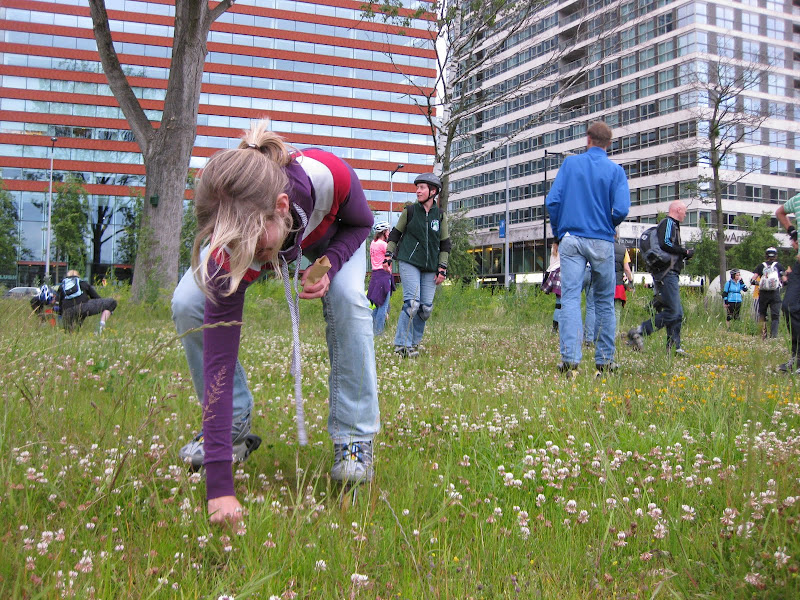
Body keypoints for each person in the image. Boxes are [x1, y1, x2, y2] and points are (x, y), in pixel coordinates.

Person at [171, 121, 380, 524]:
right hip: (281, 238)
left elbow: (362, 223)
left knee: (349, 300)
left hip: (334, 240)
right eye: (231, 247)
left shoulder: (329, 176)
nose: (243, 257)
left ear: (282, 207)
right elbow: (218, 354)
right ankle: (232, 426)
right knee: (187, 301)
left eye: (251, 248)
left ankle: (354, 437)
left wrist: (329, 264)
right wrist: (219, 488)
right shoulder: (233, 244)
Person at [546, 121, 630, 374]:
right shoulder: (616, 171)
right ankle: (605, 361)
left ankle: (570, 359)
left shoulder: (570, 164)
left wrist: (560, 231)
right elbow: (622, 209)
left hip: (571, 238)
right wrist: (608, 223)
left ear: (588, 139)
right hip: (602, 240)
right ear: (608, 144)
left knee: (570, 298)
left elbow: (553, 201)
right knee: (604, 300)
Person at [384, 173, 451, 358]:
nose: (418, 191)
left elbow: (445, 244)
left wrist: (442, 267)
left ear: (433, 191)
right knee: (412, 304)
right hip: (409, 261)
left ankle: (413, 343)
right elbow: (395, 234)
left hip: (431, 266)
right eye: (417, 187)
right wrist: (388, 255)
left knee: (425, 308)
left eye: (422, 187)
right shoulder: (410, 211)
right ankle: (401, 345)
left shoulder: (441, 215)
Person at [627, 201, 694, 355]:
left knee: (677, 312)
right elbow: (665, 244)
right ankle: (639, 331)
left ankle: (674, 348)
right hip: (667, 274)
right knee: (673, 312)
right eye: (684, 211)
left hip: (668, 273)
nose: (685, 214)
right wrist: (684, 252)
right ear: (677, 210)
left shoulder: (672, 225)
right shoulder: (668, 223)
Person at [775, 194, 800, 373]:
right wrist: (792, 232)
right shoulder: (797, 200)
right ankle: (797, 357)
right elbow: (780, 212)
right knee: (789, 306)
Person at [367, 220, 394, 336]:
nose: (389, 232)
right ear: (384, 232)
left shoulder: (373, 243)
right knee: (383, 307)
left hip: (375, 276)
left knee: (378, 306)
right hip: (383, 275)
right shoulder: (384, 245)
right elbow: (393, 254)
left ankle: (369, 330)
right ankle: (378, 333)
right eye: (388, 230)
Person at [750, 247, 785, 339]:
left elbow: (752, 280)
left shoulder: (761, 266)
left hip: (763, 293)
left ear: (766, 255)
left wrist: (759, 283)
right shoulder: (779, 266)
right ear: (775, 256)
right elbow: (785, 280)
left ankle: (763, 335)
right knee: (775, 316)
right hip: (775, 293)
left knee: (762, 314)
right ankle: (773, 336)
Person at [613, 236, 634, 332]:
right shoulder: (623, 250)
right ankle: (615, 333)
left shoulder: (603, 246)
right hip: (617, 284)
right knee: (616, 310)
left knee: (603, 309)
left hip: (604, 283)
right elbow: (626, 269)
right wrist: (630, 281)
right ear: (617, 236)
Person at [542, 243, 561, 333]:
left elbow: (551, 265)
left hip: (553, 274)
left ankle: (555, 328)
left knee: (558, 304)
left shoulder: (553, 247)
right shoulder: (566, 243)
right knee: (565, 304)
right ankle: (559, 328)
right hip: (563, 273)